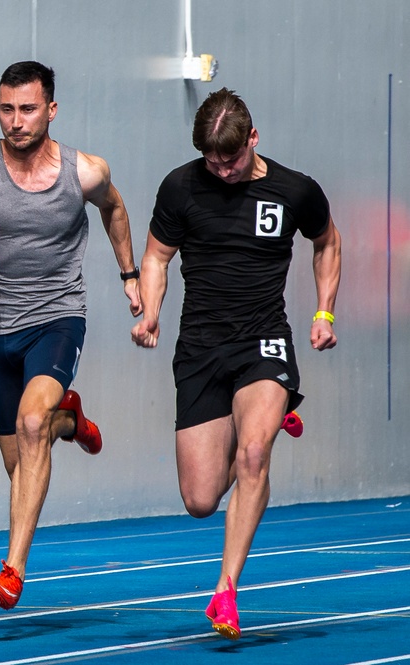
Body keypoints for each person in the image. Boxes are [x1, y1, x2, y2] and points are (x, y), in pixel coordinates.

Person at [131, 87, 341, 640]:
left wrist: (323, 313)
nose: (221, 170)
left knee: (252, 456)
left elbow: (328, 244)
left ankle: (226, 590)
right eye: (211, 160)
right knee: (200, 499)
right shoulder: (180, 186)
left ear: (253, 138)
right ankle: (271, 422)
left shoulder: (295, 190)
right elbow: (156, 255)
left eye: (231, 158)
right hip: (200, 348)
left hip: (263, 341)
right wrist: (151, 311)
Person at [0, 61, 142, 611]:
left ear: (51, 110)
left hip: (57, 318)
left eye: (28, 109)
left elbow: (116, 209)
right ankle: (67, 419)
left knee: (31, 426)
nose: (16, 121)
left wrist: (130, 276)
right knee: (21, 465)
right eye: (6, 109)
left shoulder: (85, 171)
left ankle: (12, 571)